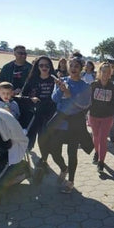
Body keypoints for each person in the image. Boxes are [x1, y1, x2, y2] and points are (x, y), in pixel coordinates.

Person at [46, 54, 93, 193]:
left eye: (76, 66)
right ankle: (63, 168)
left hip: (75, 123)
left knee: (72, 153)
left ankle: (70, 181)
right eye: (71, 65)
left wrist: (69, 94)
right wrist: (61, 90)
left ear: (81, 68)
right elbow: (54, 99)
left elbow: (85, 105)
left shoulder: (85, 86)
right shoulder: (62, 80)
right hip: (60, 121)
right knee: (53, 149)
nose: (73, 68)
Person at [21, 56, 56, 175]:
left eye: (47, 65)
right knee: (29, 138)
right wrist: (31, 99)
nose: (44, 68)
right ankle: (22, 162)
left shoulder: (54, 80)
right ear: (37, 66)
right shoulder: (32, 80)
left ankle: (44, 160)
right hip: (33, 114)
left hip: (49, 114)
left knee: (43, 139)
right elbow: (23, 96)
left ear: (50, 67)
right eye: (41, 65)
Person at [89, 62, 114, 173]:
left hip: (107, 117)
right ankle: (96, 152)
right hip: (93, 116)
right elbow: (88, 100)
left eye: (108, 72)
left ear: (110, 74)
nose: (105, 74)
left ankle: (101, 162)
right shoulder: (93, 85)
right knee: (96, 137)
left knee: (103, 139)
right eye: (103, 71)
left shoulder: (113, 87)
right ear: (99, 72)